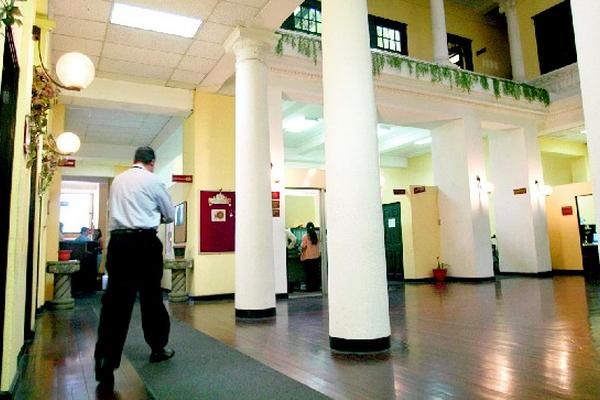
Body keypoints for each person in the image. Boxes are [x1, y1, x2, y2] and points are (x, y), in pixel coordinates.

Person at [94, 146, 175, 392]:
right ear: (152, 162)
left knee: (115, 304)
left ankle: (105, 364)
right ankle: (157, 348)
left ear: (134, 160)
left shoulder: (118, 181)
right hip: (145, 243)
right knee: (152, 299)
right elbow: (170, 214)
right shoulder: (154, 180)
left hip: (119, 243)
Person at [300, 222, 321, 291]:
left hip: (308, 258)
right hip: (316, 257)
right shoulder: (317, 236)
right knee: (315, 273)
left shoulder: (305, 237)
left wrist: (301, 252)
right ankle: (316, 287)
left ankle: (310, 288)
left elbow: (303, 247)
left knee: (309, 274)